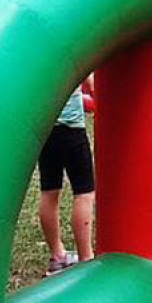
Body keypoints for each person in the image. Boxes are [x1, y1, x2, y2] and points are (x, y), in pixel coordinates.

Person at [38, 80, 95, 275]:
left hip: (46, 130)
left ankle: (57, 256)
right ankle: (86, 258)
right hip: (72, 130)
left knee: (49, 191)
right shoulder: (70, 53)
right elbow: (91, 86)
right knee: (84, 193)